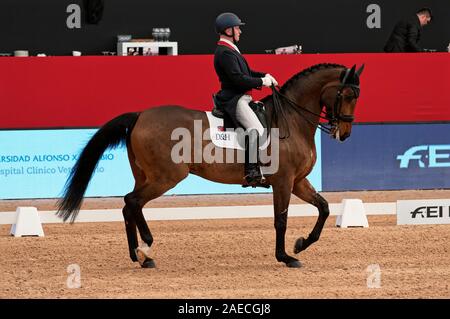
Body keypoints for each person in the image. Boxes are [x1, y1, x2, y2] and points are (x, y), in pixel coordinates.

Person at [213, 12, 278, 187]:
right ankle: (252, 172)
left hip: (241, 97)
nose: (240, 31)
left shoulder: (231, 49)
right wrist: (261, 82)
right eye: (237, 28)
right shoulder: (225, 52)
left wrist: (264, 75)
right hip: (234, 99)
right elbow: (238, 79)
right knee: (255, 129)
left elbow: (246, 73)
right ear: (228, 30)